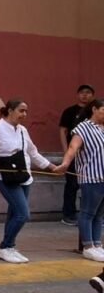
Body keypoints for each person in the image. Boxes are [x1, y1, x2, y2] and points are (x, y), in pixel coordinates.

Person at [0, 98, 56, 263]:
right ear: (10, 110)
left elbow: (33, 152)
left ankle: (10, 246)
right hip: (4, 176)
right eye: (21, 110)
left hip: (23, 176)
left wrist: (51, 166)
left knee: (14, 213)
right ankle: (4, 246)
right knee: (23, 214)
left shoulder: (23, 130)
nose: (24, 114)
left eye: (26, 111)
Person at [57, 99, 104, 261]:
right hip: (91, 177)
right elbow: (73, 148)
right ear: (94, 109)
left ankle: (97, 244)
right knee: (87, 213)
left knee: (99, 215)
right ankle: (88, 246)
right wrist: (65, 163)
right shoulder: (83, 128)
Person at [59, 84, 95, 225]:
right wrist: (65, 150)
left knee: (94, 185)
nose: (84, 95)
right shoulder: (70, 111)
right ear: (77, 95)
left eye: (88, 92)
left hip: (92, 156)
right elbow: (63, 131)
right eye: (82, 92)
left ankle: (93, 215)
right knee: (71, 185)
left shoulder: (95, 112)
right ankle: (68, 215)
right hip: (74, 154)